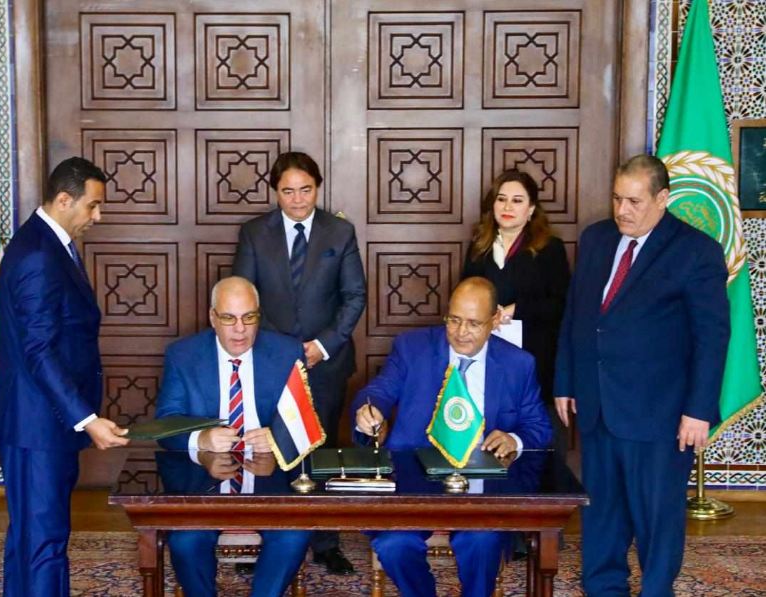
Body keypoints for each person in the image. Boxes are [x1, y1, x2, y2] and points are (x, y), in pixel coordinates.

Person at [554, 154, 729, 596]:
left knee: (656, 515)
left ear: (663, 199)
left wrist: (699, 410)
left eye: (634, 201)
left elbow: (712, 337)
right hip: (597, 403)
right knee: (602, 512)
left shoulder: (696, 251)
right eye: (617, 199)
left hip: (659, 413)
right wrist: (565, 380)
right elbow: (576, 314)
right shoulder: (596, 238)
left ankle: (656, 589)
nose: (622, 210)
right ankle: (603, 587)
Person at [352, 277, 552, 597]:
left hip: (483, 480)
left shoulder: (518, 364)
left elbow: (539, 427)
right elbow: (380, 391)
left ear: (494, 321)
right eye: (454, 320)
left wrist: (514, 439)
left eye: (473, 323)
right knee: (393, 544)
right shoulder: (412, 348)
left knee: (482, 540)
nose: (461, 332)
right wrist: (369, 410)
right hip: (414, 473)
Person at [0, 157, 130, 596]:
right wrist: (86, 419)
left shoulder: (48, 243)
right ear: (64, 199)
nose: (97, 217)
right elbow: (39, 351)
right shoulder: (38, 254)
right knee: (43, 540)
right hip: (36, 424)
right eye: (93, 206)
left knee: (34, 537)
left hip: (42, 421)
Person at [233, 150, 366, 574]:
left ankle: (326, 543)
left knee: (321, 449)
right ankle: (274, 541)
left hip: (325, 362)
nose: (297, 200)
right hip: (271, 361)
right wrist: (280, 349)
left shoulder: (339, 231)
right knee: (273, 446)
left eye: (305, 190)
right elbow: (243, 295)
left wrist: (322, 345)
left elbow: (354, 296)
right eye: (288, 191)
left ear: (317, 188)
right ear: (275, 191)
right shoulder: (254, 233)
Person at [155, 276, 312, 597]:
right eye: (229, 318)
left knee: (294, 534)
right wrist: (201, 439)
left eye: (248, 317)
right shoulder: (183, 355)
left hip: (270, 478)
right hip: (201, 481)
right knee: (186, 541)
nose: (240, 329)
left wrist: (279, 440)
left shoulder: (287, 352)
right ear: (213, 317)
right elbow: (166, 425)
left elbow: (308, 421)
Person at [462, 169, 570, 455]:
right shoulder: (479, 246)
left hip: (535, 355)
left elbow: (561, 303)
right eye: (502, 199)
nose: (507, 207)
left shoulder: (550, 248)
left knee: (535, 440)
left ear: (531, 208)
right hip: (488, 352)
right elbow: (465, 293)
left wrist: (516, 309)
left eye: (517, 200)